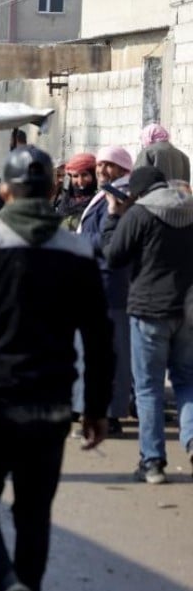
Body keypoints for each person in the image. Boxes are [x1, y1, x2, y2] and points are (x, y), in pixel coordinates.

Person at [0, 145, 114, 591]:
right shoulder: (77, 249)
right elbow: (98, 337)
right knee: (34, 513)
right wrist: (96, 409)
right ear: (53, 189)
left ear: (7, 192)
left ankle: (5, 581)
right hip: (51, 403)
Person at [101, 166, 193, 484]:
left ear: (139, 192)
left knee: (149, 388)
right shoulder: (190, 208)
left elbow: (113, 256)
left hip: (149, 309)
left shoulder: (139, 213)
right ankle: (192, 439)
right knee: (186, 380)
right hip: (188, 310)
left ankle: (152, 462)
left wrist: (114, 216)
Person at [76, 145, 135, 432]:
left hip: (109, 285)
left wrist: (74, 243)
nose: (101, 170)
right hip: (96, 283)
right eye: (99, 165)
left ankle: (110, 414)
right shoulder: (108, 192)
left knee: (111, 352)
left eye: (109, 165)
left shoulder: (120, 197)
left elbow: (109, 242)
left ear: (123, 170)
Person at [54, 152, 97, 230]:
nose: (80, 181)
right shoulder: (64, 201)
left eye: (84, 175)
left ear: (93, 175)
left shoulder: (98, 202)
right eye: (75, 176)